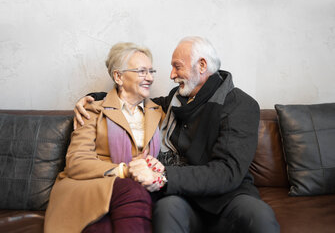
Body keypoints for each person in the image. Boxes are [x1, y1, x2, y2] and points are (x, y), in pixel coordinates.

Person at [75, 36, 280, 233]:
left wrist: (162, 176)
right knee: (167, 209)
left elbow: (227, 172)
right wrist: (95, 99)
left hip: (227, 198)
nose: (171, 75)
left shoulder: (240, 105)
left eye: (177, 66)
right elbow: (134, 99)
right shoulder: (176, 99)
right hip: (183, 197)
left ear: (201, 66)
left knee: (259, 216)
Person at [44, 42, 165, 233]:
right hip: (92, 186)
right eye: (142, 71)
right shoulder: (92, 111)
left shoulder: (159, 113)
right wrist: (124, 171)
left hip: (139, 189)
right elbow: (77, 161)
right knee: (131, 190)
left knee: (104, 227)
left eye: (151, 71)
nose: (149, 78)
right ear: (118, 76)